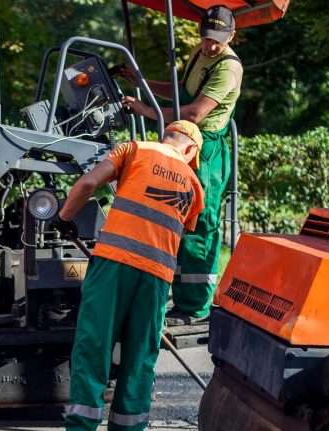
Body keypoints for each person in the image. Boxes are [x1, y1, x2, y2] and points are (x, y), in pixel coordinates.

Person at [51, 120, 204, 431]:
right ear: (191, 150)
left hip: (113, 264)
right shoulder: (195, 185)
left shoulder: (135, 149)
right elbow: (181, 231)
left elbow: (89, 181)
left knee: (94, 346)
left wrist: (63, 217)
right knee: (140, 357)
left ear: (166, 136)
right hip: (156, 278)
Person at [120, 4, 241, 325]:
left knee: (201, 223)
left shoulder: (228, 67)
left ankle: (195, 306)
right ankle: (171, 294)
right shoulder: (198, 53)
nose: (209, 45)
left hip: (207, 149)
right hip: (181, 142)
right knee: (171, 215)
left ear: (231, 35)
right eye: (205, 37)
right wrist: (143, 82)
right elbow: (179, 94)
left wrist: (147, 110)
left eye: (216, 40)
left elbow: (193, 113)